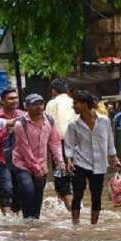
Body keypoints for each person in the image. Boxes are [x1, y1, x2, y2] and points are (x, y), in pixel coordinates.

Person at [65, 90, 121, 225]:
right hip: (80, 163)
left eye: (75, 103)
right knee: (77, 195)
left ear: (84, 104)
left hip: (99, 164)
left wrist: (115, 159)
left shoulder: (104, 121)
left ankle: (94, 226)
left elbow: (110, 142)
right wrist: (69, 160)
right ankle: (75, 224)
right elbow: (69, 145)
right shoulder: (73, 124)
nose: (73, 106)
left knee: (96, 197)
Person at [12, 93, 65, 220]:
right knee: (28, 189)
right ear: (27, 107)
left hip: (42, 164)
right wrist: (35, 168)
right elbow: (24, 149)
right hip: (23, 163)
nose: (39, 107)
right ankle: (27, 219)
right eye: (34, 104)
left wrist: (60, 161)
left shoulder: (50, 121)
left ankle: (35, 220)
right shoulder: (20, 124)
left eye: (41, 104)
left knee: (38, 194)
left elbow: (55, 142)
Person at [0, 87, 26, 214]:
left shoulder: (23, 115)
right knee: (6, 188)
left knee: (20, 189)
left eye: (15, 98)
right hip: (1, 158)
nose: (14, 100)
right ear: (2, 101)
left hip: (21, 159)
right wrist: (7, 131)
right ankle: (6, 216)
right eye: (10, 98)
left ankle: (16, 215)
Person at [45, 78, 76, 210]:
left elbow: (46, 125)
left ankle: (70, 212)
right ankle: (68, 210)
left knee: (62, 180)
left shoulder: (52, 103)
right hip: (77, 145)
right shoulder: (74, 101)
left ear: (53, 91)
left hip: (59, 145)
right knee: (72, 179)